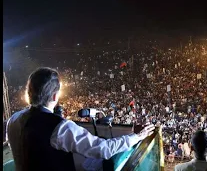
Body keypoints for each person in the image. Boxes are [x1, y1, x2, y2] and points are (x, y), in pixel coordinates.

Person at [6, 67, 155, 171]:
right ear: (54, 96)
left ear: (29, 93)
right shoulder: (61, 128)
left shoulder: (13, 120)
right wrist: (137, 136)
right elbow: (103, 150)